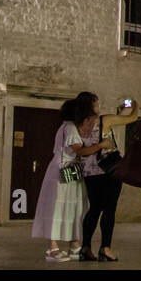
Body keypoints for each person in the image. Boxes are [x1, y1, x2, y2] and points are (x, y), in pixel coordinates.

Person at [75, 92, 139, 262]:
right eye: (96, 103)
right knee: (109, 209)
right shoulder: (104, 120)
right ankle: (105, 249)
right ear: (92, 105)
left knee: (94, 209)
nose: (99, 106)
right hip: (110, 170)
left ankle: (86, 248)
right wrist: (134, 105)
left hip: (89, 172)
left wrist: (118, 114)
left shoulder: (77, 124)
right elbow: (133, 118)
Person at [32, 97, 91, 260]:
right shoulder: (70, 127)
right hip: (64, 171)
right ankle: (52, 248)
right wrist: (100, 146)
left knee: (72, 207)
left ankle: (74, 243)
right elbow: (79, 150)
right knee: (58, 207)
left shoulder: (69, 127)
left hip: (70, 170)